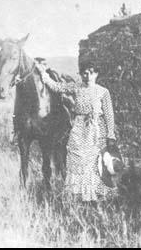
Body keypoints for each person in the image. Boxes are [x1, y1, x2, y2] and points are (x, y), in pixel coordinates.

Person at [36, 60, 117, 202]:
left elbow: (109, 114)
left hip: (95, 130)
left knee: (92, 161)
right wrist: (43, 73)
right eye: (83, 73)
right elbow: (56, 87)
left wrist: (110, 134)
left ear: (96, 73)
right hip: (79, 128)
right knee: (76, 158)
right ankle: (78, 194)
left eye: (89, 73)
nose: (86, 76)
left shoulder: (103, 92)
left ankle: (93, 194)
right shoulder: (76, 87)